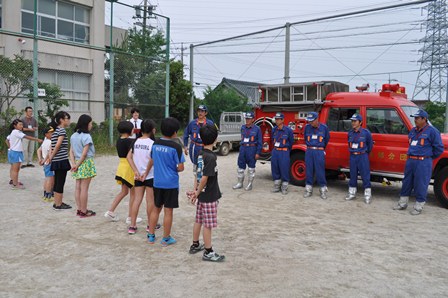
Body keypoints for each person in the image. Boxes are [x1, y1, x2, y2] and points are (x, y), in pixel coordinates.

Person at [187, 124, 225, 262]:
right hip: (209, 195)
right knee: (207, 224)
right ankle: (208, 251)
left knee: (199, 220)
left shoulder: (200, 154)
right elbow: (204, 177)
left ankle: (195, 244)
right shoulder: (211, 157)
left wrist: (196, 190)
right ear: (215, 139)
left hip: (202, 194)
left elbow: (197, 174)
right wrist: (196, 192)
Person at [394, 109, 443, 215]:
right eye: (414, 118)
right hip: (411, 160)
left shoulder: (432, 131)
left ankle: (418, 206)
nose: (415, 120)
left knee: (421, 183)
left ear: (424, 119)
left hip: (423, 162)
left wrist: (427, 157)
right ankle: (402, 203)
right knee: (406, 182)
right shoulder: (413, 131)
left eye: (417, 118)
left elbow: (439, 149)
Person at [147, 117, 185, 246]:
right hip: (171, 184)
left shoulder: (155, 144)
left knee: (156, 209)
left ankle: (151, 235)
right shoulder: (176, 147)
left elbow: (152, 159)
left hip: (157, 182)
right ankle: (166, 238)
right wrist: (171, 168)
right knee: (168, 211)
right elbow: (180, 167)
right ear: (175, 132)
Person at [104, 121, 140, 223]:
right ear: (129, 130)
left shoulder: (119, 140)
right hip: (129, 168)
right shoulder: (131, 141)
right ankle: (130, 217)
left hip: (121, 167)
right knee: (133, 193)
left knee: (124, 192)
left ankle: (110, 211)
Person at [127, 119, 156, 235]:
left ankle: (132, 225)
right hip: (149, 176)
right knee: (150, 201)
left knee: (136, 200)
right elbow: (152, 159)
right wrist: (146, 172)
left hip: (138, 176)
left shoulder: (136, 142)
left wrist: (136, 171)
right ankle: (150, 225)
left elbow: (128, 157)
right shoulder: (152, 143)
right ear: (152, 130)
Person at [69, 114, 97, 217]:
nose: (91, 125)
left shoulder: (73, 135)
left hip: (76, 162)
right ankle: (84, 211)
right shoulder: (87, 136)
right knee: (84, 188)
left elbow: (71, 151)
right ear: (86, 124)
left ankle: (79, 209)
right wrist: (77, 164)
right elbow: (84, 154)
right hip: (85, 163)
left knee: (78, 187)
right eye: (90, 123)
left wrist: (74, 164)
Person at [183, 105, 214, 187]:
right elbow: (186, 134)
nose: (200, 113)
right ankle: (196, 187)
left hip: (205, 147)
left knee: (205, 166)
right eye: (199, 111)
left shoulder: (210, 123)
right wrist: (185, 146)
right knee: (196, 168)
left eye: (202, 111)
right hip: (195, 147)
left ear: (206, 113)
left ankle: (205, 185)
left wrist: (211, 146)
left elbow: (214, 135)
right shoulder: (192, 123)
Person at [345, 113, 373, 204]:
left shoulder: (366, 133)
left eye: (355, 121)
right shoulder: (350, 133)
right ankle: (352, 193)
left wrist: (364, 152)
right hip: (353, 155)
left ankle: (367, 195)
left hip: (362, 156)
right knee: (352, 175)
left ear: (360, 122)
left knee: (365, 175)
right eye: (352, 121)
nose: (353, 123)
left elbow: (370, 146)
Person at [7, 119, 43, 190]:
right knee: (16, 169)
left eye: (22, 124)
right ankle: (15, 184)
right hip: (16, 152)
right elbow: (27, 137)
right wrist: (37, 140)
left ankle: (13, 180)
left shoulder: (13, 132)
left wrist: (10, 147)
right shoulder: (17, 132)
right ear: (15, 126)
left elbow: (7, 140)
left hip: (12, 151)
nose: (21, 126)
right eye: (20, 125)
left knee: (13, 168)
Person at [48, 111, 72, 210]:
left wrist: (51, 157)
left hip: (56, 160)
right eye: (67, 119)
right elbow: (57, 145)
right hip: (61, 160)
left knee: (58, 181)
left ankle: (57, 202)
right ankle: (58, 204)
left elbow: (51, 146)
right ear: (61, 120)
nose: (69, 121)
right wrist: (51, 157)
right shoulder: (61, 131)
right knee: (60, 182)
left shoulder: (55, 131)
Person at [303, 112, 330, 199]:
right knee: (309, 170)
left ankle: (322, 190)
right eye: (309, 121)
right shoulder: (307, 128)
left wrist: (321, 149)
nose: (310, 123)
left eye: (312, 121)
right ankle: (308, 189)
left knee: (320, 171)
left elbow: (326, 139)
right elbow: (304, 138)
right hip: (309, 150)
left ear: (317, 119)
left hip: (319, 151)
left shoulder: (324, 128)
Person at [232, 112, 262, 191]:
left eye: (249, 119)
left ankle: (250, 184)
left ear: (253, 119)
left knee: (251, 168)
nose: (247, 120)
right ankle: (240, 183)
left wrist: (258, 153)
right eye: (246, 119)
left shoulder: (257, 129)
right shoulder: (243, 127)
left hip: (252, 150)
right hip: (243, 149)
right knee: (240, 167)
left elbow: (260, 142)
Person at [271, 112, 294, 195]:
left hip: (284, 151)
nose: (276, 121)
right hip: (275, 151)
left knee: (284, 169)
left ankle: (284, 187)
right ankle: (277, 186)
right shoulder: (274, 130)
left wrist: (286, 150)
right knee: (275, 168)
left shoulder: (288, 130)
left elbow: (291, 142)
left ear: (283, 120)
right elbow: (271, 140)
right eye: (276, 119)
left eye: (278, 119)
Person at [37, 127, 55, 202]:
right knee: (49, 179)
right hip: (48, 162)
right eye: (51, 133)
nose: (53, 134)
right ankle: (48, 195)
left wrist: (40, 159)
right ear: (46, 134)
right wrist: (44, 160)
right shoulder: (50, 142)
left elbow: (39, 150)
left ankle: (45, 194)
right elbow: (49, 153)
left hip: (45, 163)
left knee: (47, 178)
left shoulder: (45, 142)